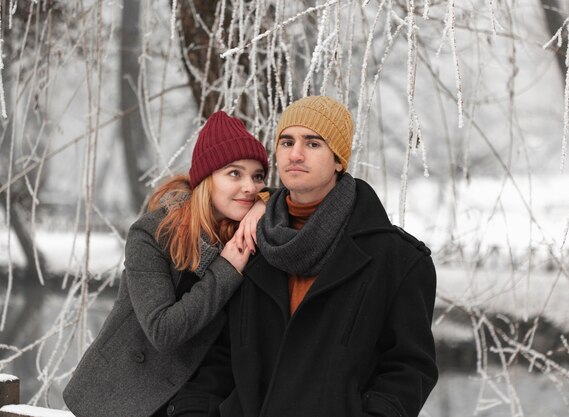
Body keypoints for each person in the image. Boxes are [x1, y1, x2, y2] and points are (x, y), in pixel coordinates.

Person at [167, 96, 438, 417]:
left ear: (338, 160)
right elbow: (220, 356)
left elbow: (408, 368)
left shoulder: (398, 260)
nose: (295, 154)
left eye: (312, 143)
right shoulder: (248, 244)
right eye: (286, 142)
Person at [63, 110, 269, 417]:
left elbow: (301, 201)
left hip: (193, 399)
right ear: (206, 179)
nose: (250, 187)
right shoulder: (153, 234)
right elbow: (163, 331)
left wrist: (267, 203)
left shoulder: (248, 233)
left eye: (258, 176)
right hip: (122, 398)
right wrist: (226, 268)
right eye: (234, 174)